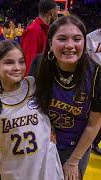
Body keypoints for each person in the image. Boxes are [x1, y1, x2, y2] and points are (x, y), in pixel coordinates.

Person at [34, 15, 101, 179]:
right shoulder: (39, 64)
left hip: (77, 146)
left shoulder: (97, 74)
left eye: (77, 39)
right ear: (51, 43)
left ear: (84, 43)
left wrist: (73, 161)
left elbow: (94, 125)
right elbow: (32, 103)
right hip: (44, 141)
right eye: (62, 39)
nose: (70, 45)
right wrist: (46, 125)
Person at [0, 40, 63, 180]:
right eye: (9, 62)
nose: (17, 67)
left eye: (21, 62)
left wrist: (51, 124)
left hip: (47, 169)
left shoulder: (34, 84)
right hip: (15, 171)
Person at [21, 0, 58, 75]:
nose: (57, 14)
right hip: (34, 80)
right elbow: (29, 60)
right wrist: (30, 84)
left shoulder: (45, 29)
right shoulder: (34, 30)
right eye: (56, 11)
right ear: (51, 12)